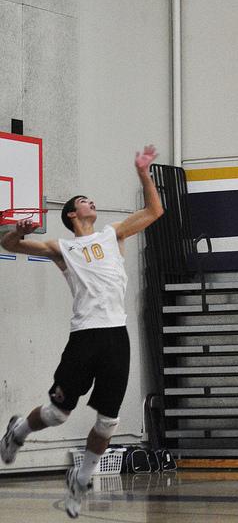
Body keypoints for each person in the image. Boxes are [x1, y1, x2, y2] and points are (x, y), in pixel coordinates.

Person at [0, 145, 163, 519]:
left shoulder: (113, 235)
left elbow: (155, 211)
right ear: (73, 213)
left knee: (108, 421)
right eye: (85, 201)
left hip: (115, 336)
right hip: (85, 336)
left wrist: (142, 171)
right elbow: (8, 245)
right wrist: (15, 231)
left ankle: (81, 478)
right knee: (58, 414)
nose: (93, 203)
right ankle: (17, 434)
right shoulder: (63, 248)